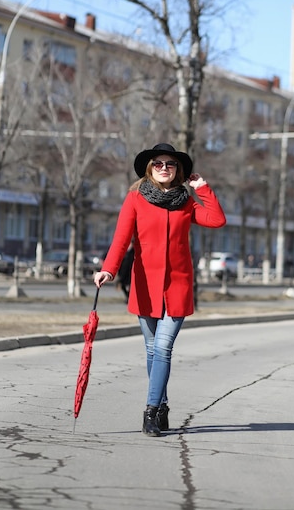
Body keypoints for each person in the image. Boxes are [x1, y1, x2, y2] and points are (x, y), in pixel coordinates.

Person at [94, 142, 226, 437]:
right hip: (145, 286)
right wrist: (108, 269)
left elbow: (217, 219)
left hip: (177, 285)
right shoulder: (136, 199)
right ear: (149, 168)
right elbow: (121, 238)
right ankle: (163, 406)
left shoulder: (186, 202)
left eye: (170, 164)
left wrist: (202, 188)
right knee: (152, 350)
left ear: (178, 170)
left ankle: (150, 412)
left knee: (163, 348)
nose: (164, 168)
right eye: (158, 164)